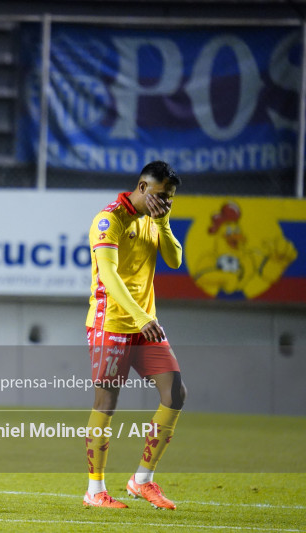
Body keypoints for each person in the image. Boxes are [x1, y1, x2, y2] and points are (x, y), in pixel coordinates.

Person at [82, 160, 186, 510]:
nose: (165, 202)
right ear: (142, 187)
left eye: (170, 198)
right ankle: (94, 490)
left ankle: (142, 480)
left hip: (145, 326)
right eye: (161, 196)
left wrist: (164, 221)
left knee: (175, 393)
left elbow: (174, 259)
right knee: (106, 404)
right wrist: (141, 317)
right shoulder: (108, 220)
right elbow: (109, 277)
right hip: (110, 323)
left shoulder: (154, 220)